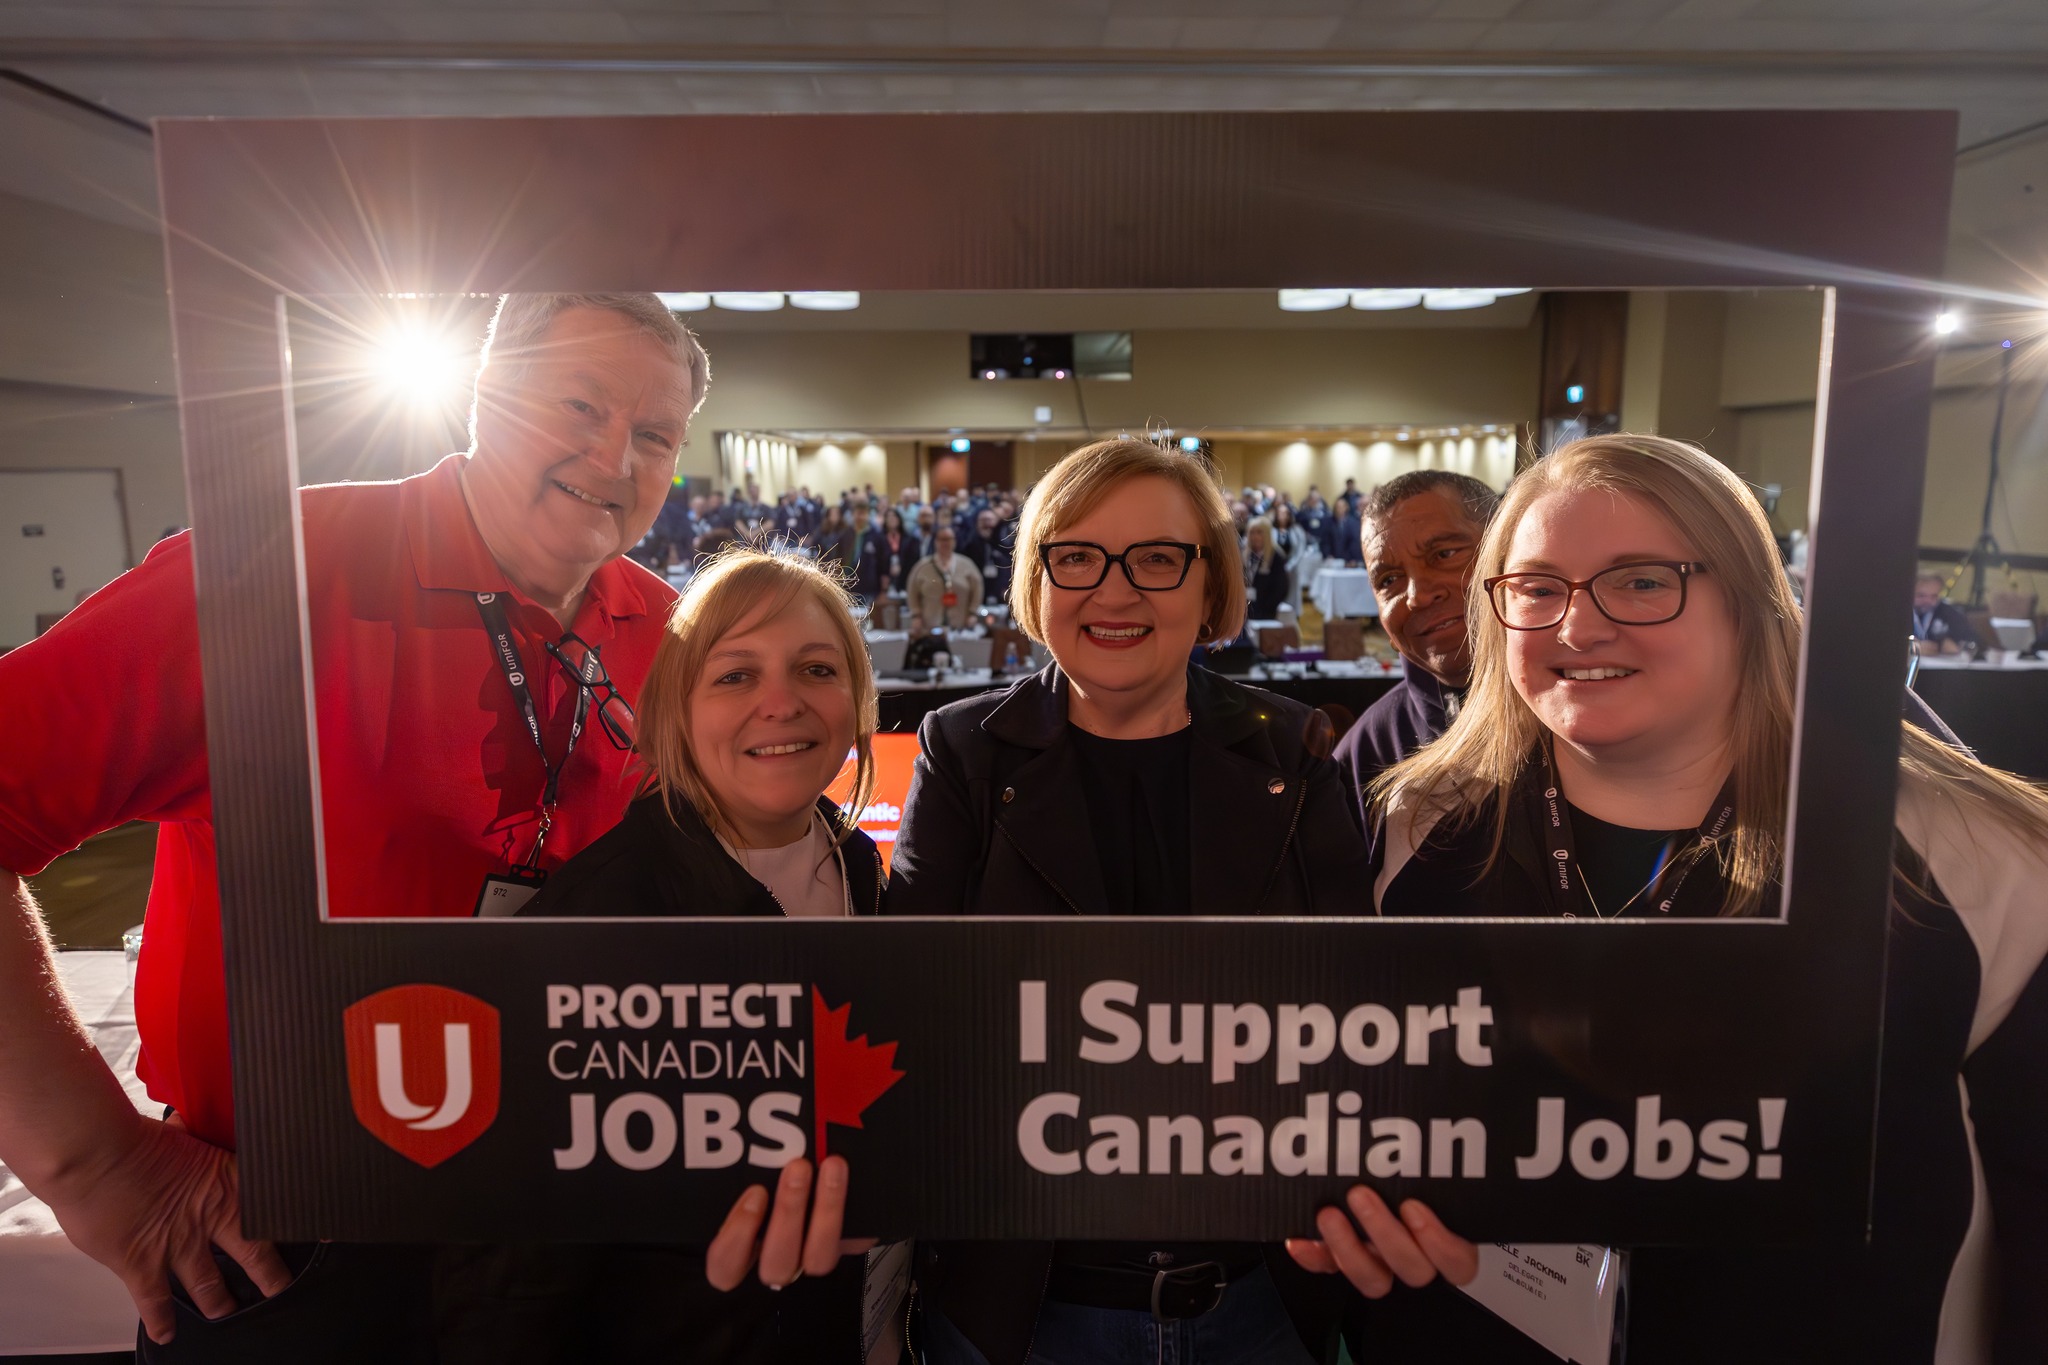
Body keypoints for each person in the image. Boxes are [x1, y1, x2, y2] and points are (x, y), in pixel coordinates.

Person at [0, 292, 709, 1359]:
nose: (613, 458)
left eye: (653, 434)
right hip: (293, 1237)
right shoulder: (270, 576)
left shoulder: (667, 630)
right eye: (578, 405)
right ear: (482, 395)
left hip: (573, 1222)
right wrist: (93, 1162)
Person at [1330, 433, 2048, 1359]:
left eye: (1639, 581)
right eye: (1537, 588)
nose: (1577, 629)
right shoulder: (1419, 829)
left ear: (1748, 600)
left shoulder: (1973, 857)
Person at [886, 437, 1389, 1365]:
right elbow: (905, 1014)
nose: (1113, 593)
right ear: (1038, 580)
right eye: (1075, 556)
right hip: (1025, 1305)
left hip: (1258, 1299)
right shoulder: (962, 753)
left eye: (1156, 558)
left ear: (1211, 586)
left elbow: (1357, 1008)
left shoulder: (1295, 750)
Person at [465, 548, 882, 1364]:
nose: (781, 702)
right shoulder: (598, 921)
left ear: (858, 698)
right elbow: (508, 1269)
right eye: (734, 676)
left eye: (815, 668)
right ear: (673, 709)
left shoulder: (858, 865)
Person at [1332, 471, 1501, 813]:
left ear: (1509, 546)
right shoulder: (1371, 750)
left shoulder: (1593, 710)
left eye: (1444, 554)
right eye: (1389, 579)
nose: (1418, 596)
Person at [907, 524, 985, 632]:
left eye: (949, 539)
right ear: (936, 542)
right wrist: (916, 615)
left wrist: (973, 613)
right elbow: (912, 592)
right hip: (929, 625)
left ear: (954, 541)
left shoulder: (967, 565)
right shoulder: (922, 566)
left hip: (960, 626)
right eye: (942, 539)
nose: (945, 543)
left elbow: (978, 589)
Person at [1911, 571, 1981, 655]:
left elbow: (1974, 642)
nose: (1928, 601)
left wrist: (1952, 646)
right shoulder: (1897, 613)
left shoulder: (1949, 613)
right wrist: (1911, 647)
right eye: (1921, 595)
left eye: (1934, 596)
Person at [960, 505, 1014, 603]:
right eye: (983, 520)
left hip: (999, 596)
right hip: (975, 595)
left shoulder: (1004, 546)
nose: (987, 524)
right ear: (977, 523)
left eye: (990, 520)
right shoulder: (968, 547)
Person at [866, 505, 922, 598]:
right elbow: (875, 560)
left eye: (894, 516)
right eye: (889, 517)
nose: (892, 519)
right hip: (884, 580)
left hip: (905, 579)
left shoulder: (909, 539)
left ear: (899, 519)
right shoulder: (878, 539)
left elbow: (913, 559)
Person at [1243, 515, 1290, 620]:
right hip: (1245, 610)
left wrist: (1266, 608)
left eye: (1259, 532)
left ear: (1267, 534)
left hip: (1266, 612)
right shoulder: (1244, 556)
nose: (1255, 536)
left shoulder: (1276, 557)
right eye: (1252, 532)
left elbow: (1281, 588)